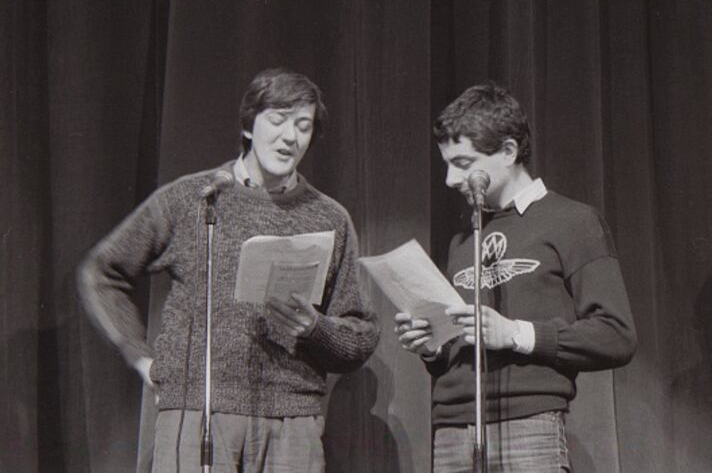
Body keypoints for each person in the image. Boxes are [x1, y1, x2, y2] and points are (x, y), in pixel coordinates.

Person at [78, 67, 379, 472]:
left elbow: (360, 336)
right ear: (250, 125)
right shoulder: (195, 197)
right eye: (278, 120)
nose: (290, 136)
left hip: (291, 422)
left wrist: (315, 328)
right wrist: (140, 357)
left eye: (303, 126)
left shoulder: (330, 218)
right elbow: (101, 273)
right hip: (197, 410)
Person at [394, 83, 637, 472]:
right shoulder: (463, 239)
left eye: (463, 163)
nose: (450, 179)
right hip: (451, 431)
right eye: (447, 164)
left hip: (528, 427)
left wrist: (515, 334)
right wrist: (431, 346)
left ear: (508, 151)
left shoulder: (573, 222)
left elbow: (616, 334)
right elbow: (453, 357)